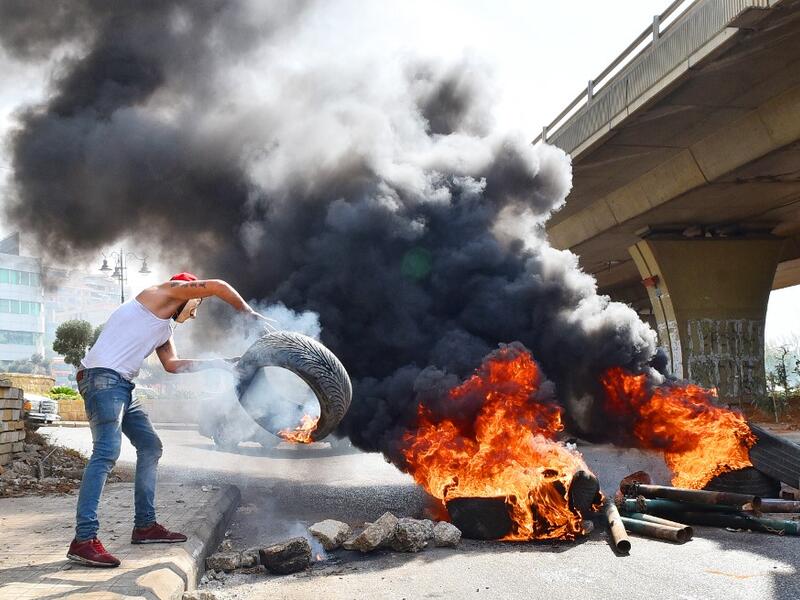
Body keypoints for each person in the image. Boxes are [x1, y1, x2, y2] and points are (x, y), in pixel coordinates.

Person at [67, 272, 270, 567]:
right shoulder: (159, 293)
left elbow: (172, 365)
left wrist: (220, 364)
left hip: (121, 385)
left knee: (150, 446)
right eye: (195, 305)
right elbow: (218, 286)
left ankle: (145, 526)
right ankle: (83, 540)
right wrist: (248, 313)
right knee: (106, 452)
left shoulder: (163, 329)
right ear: (185, 295)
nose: (196, 313)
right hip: (103, 380)